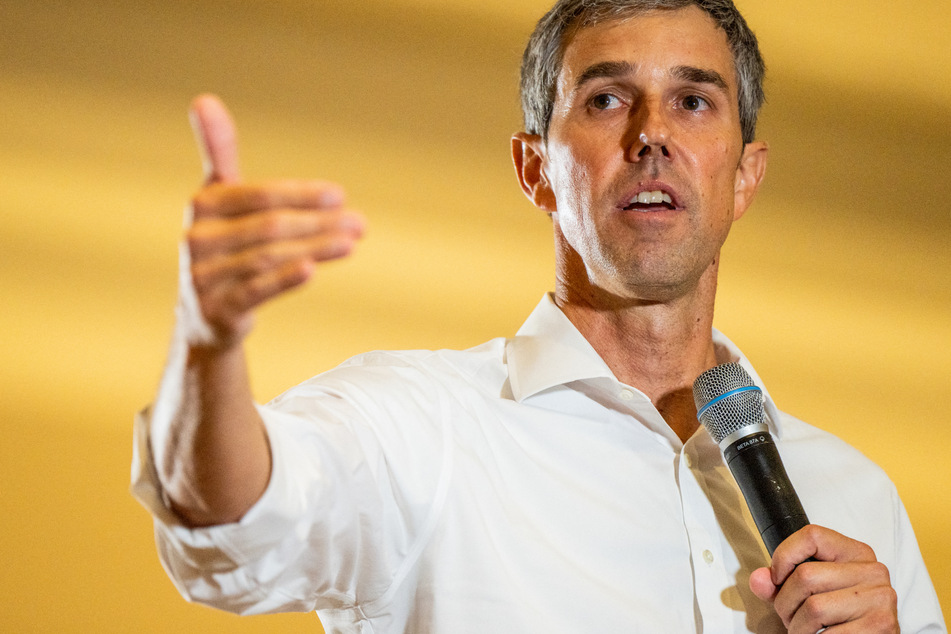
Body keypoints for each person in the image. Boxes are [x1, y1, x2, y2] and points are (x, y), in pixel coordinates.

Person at [131, 0, 946, 631]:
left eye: (693, 101)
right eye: (604, 99)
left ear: (744, 175)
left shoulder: (854, 496)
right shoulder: (423, 429)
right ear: (536, 170)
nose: (651, 134)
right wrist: (206, 347)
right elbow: (230, 522)